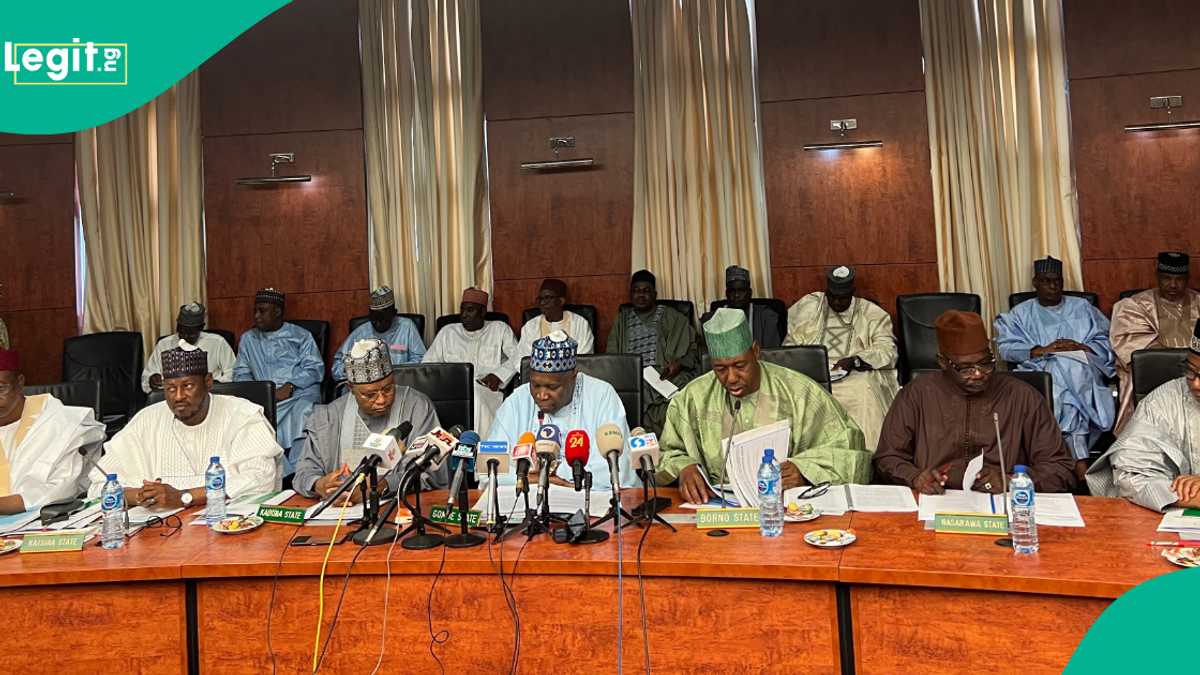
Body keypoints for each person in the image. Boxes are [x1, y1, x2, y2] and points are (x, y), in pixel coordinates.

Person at [657, 308, 869, 504]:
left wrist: (805, 471)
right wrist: (684, 467)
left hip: (786, 509)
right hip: (716, 509)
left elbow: (851, 449)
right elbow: (667, 452)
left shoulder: (800, 392)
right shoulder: (692, 398)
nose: (731, 378)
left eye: (740, 365)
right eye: (720, 369)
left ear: (756, 351)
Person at [873, 310, 1076, 494]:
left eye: (985, 363)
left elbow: (1060, 468)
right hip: (934, 500)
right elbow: (887, 457)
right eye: (965, 368)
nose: (978, 374)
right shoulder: (916, 394)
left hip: (1005, 502)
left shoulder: (1022, 396)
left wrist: (1011, 481)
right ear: (942, 362)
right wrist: (915, 477)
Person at [93, 342, 282, 506]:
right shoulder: (146, 420)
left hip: (229, 523)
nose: (178, 397)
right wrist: (141, 496)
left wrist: (185, 497)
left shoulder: (242, 415)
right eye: (170, 388)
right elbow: (99, 485)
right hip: (160, 528)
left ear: (208, 382)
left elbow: (260, 479)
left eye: (188, 386)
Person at [995, 256, 1116, 476]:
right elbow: (1006, 347)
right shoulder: (1020, 313)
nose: (1052, 286)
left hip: (1082, 369)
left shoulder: (1082, 307)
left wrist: (1081, 346)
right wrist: (1042, 349)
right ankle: (1078, 459)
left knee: (1069, 370)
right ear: (1035, 283)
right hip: (1040, 369)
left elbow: (1108, 339)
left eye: (1057, 281)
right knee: (1062, 376)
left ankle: (1061, 459)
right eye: (1046, 281)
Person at [294, 338, 441, 501]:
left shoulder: (417, 407)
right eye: (370, 395)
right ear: (351, 388)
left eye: (388, 389)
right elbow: (304, 473)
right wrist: (319, 485)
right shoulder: (329, 416)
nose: (381, 400)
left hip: (399, 506)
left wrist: (379, 487)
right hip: (339, 510)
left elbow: (432, 473)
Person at [487, 331, 635, 490]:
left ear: (573, 377)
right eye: (535, 385)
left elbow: (618, 468)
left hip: (589, 499)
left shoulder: (602, 395)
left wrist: (549, 474)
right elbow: (489, 468)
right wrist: (550, 480)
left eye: (552, 387)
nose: (542, 395)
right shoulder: (518, 400)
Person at [1086, 319, 1200, 511]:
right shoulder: (1164, 400)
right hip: (1175, 518)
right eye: (1191, 371)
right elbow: (1130, 473)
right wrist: (1180, 495)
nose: (1195, 384)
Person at [783, 265, 900, 449]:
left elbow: (887, 349)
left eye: (843, 298)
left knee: (864, 390)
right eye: (832, 297)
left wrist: (855, 360)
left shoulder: (871, 313)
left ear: (852, 293)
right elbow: (790, 344)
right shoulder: (812, 307)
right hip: (814, 376)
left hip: (855, 375)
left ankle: (865, 452)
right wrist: (808, 361)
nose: (837, 302)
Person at [0, 348, 105, 514]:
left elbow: (63, 489)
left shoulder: (60, 422)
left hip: (41, 519)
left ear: (20, 383)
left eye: (1, 389)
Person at [232, 288, 325, 471]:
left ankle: (300, 470)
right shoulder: (248, 339)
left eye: (262, 311)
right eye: (255, 311)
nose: (257, 316)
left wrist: (290, 385)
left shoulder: (301, 336)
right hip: (265, 396)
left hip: (299, 392)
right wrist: (261, 392)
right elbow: (241, 373)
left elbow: (314, 368)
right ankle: (275, 472)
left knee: (305, 411)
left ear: (277, 312)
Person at [1110, 251, 1200, 433]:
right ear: (1157, 276)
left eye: (1179, 279)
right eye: (1167, 278)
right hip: (1155, 374)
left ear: (1188, 279)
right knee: (1137, 375)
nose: (1173, 285)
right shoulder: (1134, 306)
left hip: (1197, 373)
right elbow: (1137, 352)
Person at [607, 269, 698, 435]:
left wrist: (679, 363)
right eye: (636, 291)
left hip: (665, 376)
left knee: (684, 388)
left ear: (655, 294)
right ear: (630, 295)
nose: (641, 295)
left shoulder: (673, 317)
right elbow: (612, 357)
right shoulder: (622, 320)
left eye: (646, 291)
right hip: (632, 377)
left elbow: (693, 350)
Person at [422, 287, 516, 435]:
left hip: (485, 389)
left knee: (476, 396)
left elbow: (517, 357)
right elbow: (428, 364)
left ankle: (480, 444)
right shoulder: (448, 332)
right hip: (452, 389)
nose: (464, 315)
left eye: (470, 310)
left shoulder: (499, 329)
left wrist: (499, 375)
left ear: (483, 312)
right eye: (462, 309)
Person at [492, 278, 594, 386]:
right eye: (540, 299)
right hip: (538, 383)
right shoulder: (531, 326)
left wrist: (559, 377)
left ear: (561, 301)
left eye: (548, 298)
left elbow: (584, 359)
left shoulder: (580, 324)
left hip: (570, 381)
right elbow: (522, 359)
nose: (542, 302)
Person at [331, 286, 425, 382]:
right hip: (365, 386)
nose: (378, 324)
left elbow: (421, 360)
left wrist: (392, 371)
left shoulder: (406, 327)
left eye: (383, 319)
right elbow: (336, 368)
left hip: (398, 383)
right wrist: (357, 369)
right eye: (374, 319)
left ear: (394, 313)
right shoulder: (360, 333)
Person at [142, 302, 237, 393]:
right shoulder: (164, 344)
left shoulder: (218, 343)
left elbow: (233, 373)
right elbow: (147, 377)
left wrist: (216, 384)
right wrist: (151, 379)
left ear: (201, 327)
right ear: (177, 326)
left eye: (191, 334)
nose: (185, 337)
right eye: (181, 332)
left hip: (210, 394)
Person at [700, 265, 782, 348]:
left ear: (750, 293)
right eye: (732, 291)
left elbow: (771, 352)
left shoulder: (766, 316)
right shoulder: (711, 320)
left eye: (741, 291)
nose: (736, 295)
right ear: (726, 294)